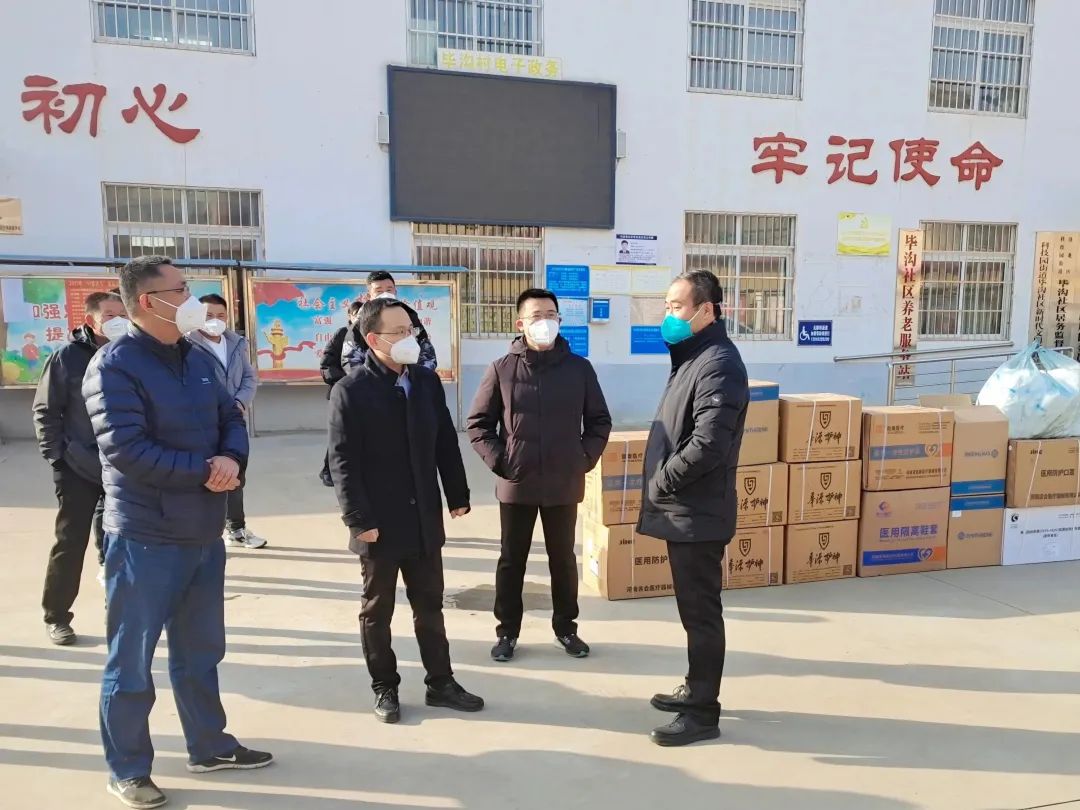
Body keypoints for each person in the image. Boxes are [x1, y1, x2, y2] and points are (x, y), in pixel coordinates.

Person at [83, 256, 272, 809]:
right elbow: (125, 448)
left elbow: (231, 416)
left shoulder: (197, 356)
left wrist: (232, 459)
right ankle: (128, 768)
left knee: (200, 651)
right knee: (131, 660)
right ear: (149, 301)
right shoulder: (114, 366)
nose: (192, 298)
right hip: (145, 535)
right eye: (181, 289)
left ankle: (209, 746)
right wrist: (204, 472)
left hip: (202, 531)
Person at [329, 297, 482, 724]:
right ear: (373, 339)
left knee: (429, 604)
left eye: (410, 329)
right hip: (378, 522)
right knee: (377, 611)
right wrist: (358, 520)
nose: (408, 338)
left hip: (423, 518)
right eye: (398, 331)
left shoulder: (425, 382)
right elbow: (343, 462)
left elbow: (444, 441)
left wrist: (457, 494)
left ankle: (441, 683)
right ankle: (385, 687)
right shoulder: (351, 391)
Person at [467, 288, 611, 662]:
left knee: (562, 559)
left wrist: (583, 458)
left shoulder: (579, 369)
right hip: (517, 482)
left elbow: (599, 421)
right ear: (520, 324)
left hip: (564, 481)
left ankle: (566, 629)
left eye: (550, 315)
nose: (544, 322)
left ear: (559, 320)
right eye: (536, 316)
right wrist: (502, 462)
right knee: (511, 559)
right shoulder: (501, 369)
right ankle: (507, 632)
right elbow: (478, 424)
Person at [638, 269, 748, 748]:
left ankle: (703, 712)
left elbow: (708, 444)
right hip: (686, 509)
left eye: (677, 307)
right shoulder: (693, 357)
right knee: (692, 611)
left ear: (707, 310)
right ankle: (694, 687)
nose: (669, 315)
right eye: (666, 306)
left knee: (701, 614)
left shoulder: (718, 363)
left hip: (697, 512)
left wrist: (662, 480)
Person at [33, 290, 128, 645]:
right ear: (91, 320)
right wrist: (57, 457)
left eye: (123, 313)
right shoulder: (66, 357)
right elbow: (46, 410)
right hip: (77, 466)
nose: (119, 321)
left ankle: (119, 609)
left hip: (123, 465)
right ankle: (57, 615)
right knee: (71, 542)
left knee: (119, 540)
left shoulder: (131, 352)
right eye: (110, 315)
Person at [188, 293, 264, 549]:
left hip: (234, 421)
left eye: (221, 315)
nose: (215, 320)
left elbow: (249, 377)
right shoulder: (187, 344)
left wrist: (239, 403)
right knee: (206, 476)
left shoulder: (235, 343)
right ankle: (203, 534)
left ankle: (236, 528)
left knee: (235, 475)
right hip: (203, 422)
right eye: (208, 315)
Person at [345, 271, 436, 371]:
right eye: (379, 291)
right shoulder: (361, 322)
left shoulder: (409, 316)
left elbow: (426, 351)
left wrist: (419, 376)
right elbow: (351, 360)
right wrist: (371, 378)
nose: (385, 294)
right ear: (369, 296)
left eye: (389, 290)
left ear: (395, 292)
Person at [317, 299, 363, 487]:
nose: (361, 318)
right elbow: (326, 365)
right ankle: (328, 470)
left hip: (366, 395)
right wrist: (345, 384)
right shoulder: (342, 334)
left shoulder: (370, 336)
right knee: (340, 434)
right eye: (357, 315)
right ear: (350, 316)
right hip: (343, 394)